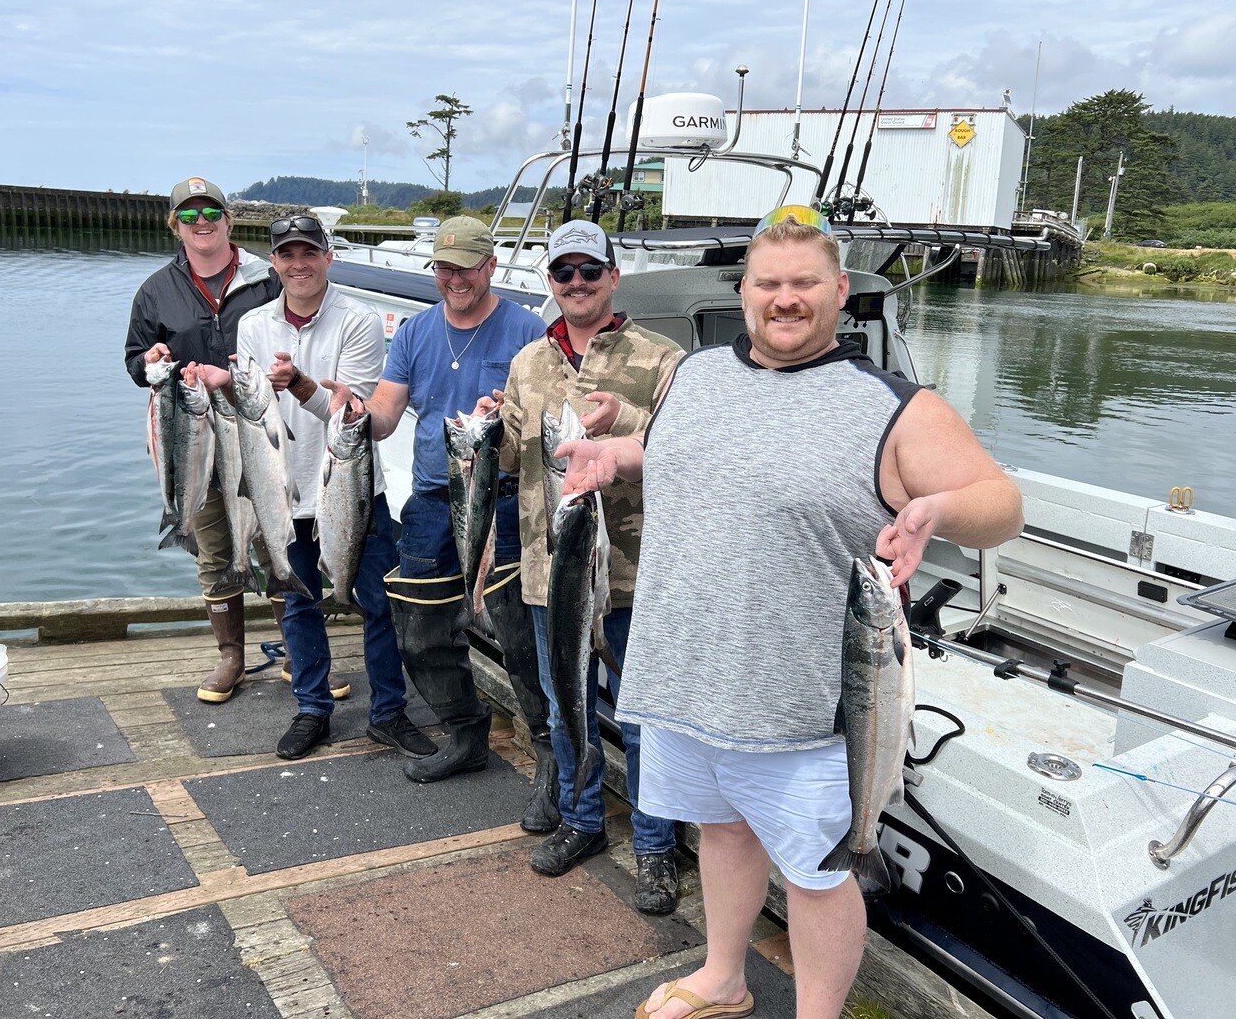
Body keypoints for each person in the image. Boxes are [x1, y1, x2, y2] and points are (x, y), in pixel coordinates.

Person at [559, 206, 1025, 1019]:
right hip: (684, 668)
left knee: (817, 872)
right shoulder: (692, 374)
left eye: (804, 283)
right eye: (768, 283)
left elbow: (1002, 504)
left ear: (839, 291)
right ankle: (723, 976)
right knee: (723, 832)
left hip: (804, 698)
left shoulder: (894, 405)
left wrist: (938, 508)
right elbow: (687, 457)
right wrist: (620, 454)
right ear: (744, 291)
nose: (784, 298)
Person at [479, 220, 683, 913]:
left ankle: (656, 848)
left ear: (613, 276)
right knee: (568, 702)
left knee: (646, 713)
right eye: (563, 272)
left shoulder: (662, 359)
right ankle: (583, 819)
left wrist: (624, 429)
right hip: (549, 570)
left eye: (589, 271)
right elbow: (509, 457)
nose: (576, 283)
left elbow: (686, 456)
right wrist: (489, 427)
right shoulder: (529, 362)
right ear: (550, 282)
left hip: (636, 573)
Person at [192, 215, 434, 762]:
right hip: (282, 490)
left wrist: (299, 384)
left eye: (308, 253)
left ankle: (388, 714)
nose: (298, 264)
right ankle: (312, 708)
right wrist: (228, 385)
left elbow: (352, 416)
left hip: (347, 490)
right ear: (274, 263)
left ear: (328, 257)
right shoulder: (254, 324)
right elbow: (253, 409)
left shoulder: (360, 321)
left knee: (378, 603)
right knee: (295, 601)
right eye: (286, 255)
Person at [360, 217, 552, 798]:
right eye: (444, 267)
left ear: (491, 266)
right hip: (430, 501)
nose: (455, 278)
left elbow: (543, 415)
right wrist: (353, 417)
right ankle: (466, 734)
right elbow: (387, 413)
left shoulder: (527, 330)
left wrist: (509, 411)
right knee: (419, 627)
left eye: (466, 266)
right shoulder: (416, 332)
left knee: (520, 632)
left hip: (506, 501)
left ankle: (549, 755)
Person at [123, 177, 290, 705]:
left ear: (228, 219)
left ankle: (298, 649)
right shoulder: (155, 291)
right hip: (191, 431)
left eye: (211, 212)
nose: (202, 223)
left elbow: (292, 337)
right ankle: (231, 656)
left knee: (272, 534)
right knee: (214, 545)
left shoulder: (267, 278)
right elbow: (133, 361)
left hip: (255, 425)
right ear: (175, 224)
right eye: (189, 215)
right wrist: (147, 362)